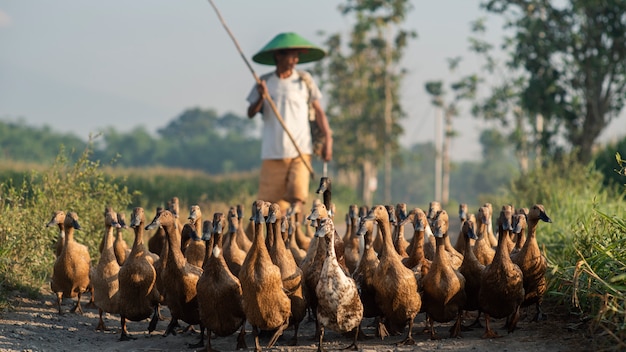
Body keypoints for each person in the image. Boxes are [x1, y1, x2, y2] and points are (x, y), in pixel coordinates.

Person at [247, 32, 333, 216]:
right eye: (292, 55)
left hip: (300, 150)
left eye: (297, 56)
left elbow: (319, 111)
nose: (295, 60)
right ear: (279, 56)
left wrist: (328, 139)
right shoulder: (265, 82)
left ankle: (293, 236)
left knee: (297, 196)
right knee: (268, 205)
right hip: (273, 151)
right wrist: (262, 97)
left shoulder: (304, 81)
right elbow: (251, 113)